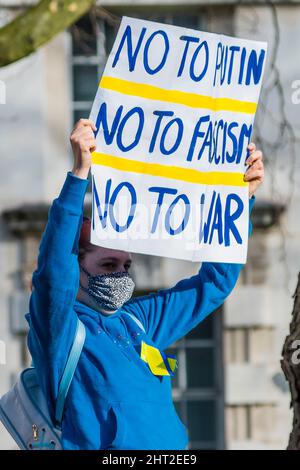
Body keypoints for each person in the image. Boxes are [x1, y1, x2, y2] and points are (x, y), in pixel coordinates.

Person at [26, 118, 264, 450]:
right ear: (76, 266)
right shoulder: (60, 332)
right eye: (108, 264)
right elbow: (53, 277)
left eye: (126, 265)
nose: (122, 275)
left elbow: (215, 283)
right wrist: (79, 174)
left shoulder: (138, 321)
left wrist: (239, 203)